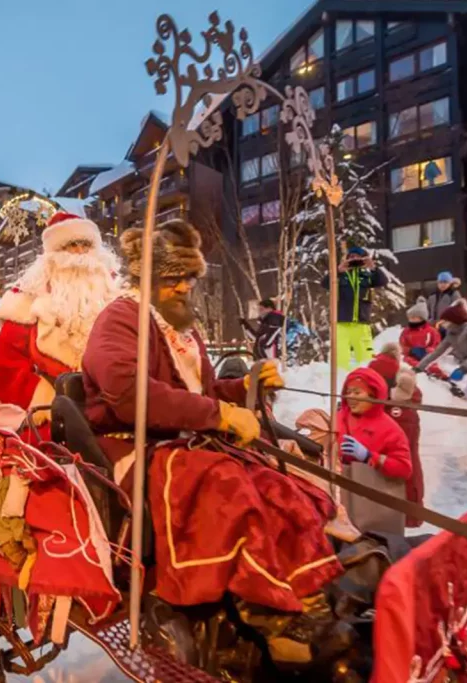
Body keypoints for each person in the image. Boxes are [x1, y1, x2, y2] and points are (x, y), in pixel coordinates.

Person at [82, 220, 349, 669]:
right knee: (226, 483)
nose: (186, 286)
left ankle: (308, 588)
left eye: (189, 277)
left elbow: (200, 392)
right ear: (148, 278)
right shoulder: (120, 317)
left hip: (182, 444)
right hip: (134, 447)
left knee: (273, 478)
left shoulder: (179, 331)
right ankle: (261, 609)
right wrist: (218, 414)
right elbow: (128, 393)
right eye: (174, 278)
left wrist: (243, 388)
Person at [0, 211, 120, 424]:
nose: (80, 252)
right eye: (71, 245)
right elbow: (8, 365)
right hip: (50, 415)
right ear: (54, 253)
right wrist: (43, 401)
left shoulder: (115, 297)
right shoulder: (27, 299)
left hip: (110, 413)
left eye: (85, 244)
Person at [367, 345, 425, 526]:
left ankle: (393, 514)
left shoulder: (378, 368)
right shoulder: (404, 381)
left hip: (395, 417)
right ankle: (411, 513)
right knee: (409, 462)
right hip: (406, 418)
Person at [337, 365, 413, 481]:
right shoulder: (338, 417)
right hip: (333, 487)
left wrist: (369, 457)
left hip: (365, 493)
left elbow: (404, 469)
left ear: (373, 396)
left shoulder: (391, 430)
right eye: (348, 392)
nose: (350, 397)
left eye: (357, 393)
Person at [321, 246, 388, 369]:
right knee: (340, 358)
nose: (355, 259)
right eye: (351, 257)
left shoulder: (367, 276)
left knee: (365, 357)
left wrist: (373, 267)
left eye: (358, 257)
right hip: (341, 323)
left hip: (361, 323)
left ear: (363, 259)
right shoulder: (340, 276)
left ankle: (365, 378)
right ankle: (340, 380)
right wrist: (338, 270)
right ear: (347, 259)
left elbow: (383, 281)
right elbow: (324, 283)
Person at [415, 301, 467, 400]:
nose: (443, 324)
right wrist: (420, 367)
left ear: (454, 320)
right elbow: (438, 352)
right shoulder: (452, 333)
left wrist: (463, 368)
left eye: (445, 321)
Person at [398, 297, 441, 366]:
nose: (411, 320)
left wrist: (427, 351)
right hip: (410, 357)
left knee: (431, 364)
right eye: (410, 318)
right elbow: (402, 345)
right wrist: (411, 350)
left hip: (427, 357)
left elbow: (436, 345)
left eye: (413, 318)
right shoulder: (406, 331)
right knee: (408, 362)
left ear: (421, 318)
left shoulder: (431, 331)